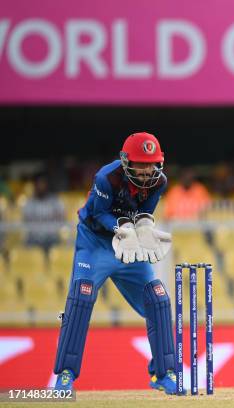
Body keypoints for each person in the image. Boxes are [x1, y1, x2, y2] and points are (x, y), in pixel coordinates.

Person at [53, 132, 179, 394]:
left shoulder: (159, 182)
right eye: (141, 164)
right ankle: (65, 375)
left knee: (158, 298)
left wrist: (144, 228)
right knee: (81, 298)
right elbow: (98, 213)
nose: (146, 171)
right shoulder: (106, 178)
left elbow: (145, 212)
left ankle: (163, 374)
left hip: (129, 245)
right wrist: (121, 227)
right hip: (95, 242)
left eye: (152, 164)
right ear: (126, 161)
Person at [22, 174, 65, 253]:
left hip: (51, 238)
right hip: (34, 238)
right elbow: (26, 222)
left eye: (43, 183)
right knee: (25, 246)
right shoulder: (29, 203)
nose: (40, 186)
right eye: (38, 184)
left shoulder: (55, 201)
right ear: (35, 186)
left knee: (59, 248)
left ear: (47, 185)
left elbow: (61, 219)